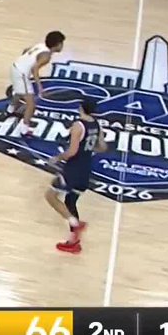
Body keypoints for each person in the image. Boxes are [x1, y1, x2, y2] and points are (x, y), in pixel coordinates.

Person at [46, 97, 107, 253]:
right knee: (70, 201)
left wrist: (57, 158)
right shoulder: (96, 124)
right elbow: (102, 147)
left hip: (73, 169)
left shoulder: (78, 126)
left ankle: (75, 224)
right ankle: (73, 242)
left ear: (81, 108)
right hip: (85, 169)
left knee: (50, 196)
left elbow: (72, 152)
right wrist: (87, 150)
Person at [8, 31, 66, 137]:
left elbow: (26, 50)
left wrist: (23, 62)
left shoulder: (40, 45)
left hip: (15, 66)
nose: (62, 46)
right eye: (62, 43)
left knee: (20, 91)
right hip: (21, 74)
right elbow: (34, 69)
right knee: (31, 105)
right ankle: (24, 130)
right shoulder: (46, 56)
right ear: (57, 44)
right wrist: (40, 87)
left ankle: (10, 109)